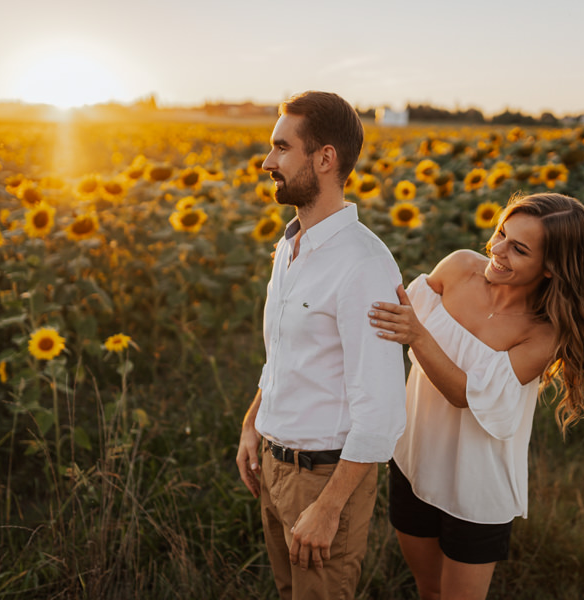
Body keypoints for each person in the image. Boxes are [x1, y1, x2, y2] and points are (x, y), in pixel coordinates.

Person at [367, 192, 584, 600]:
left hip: (476, 484)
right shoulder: (459, 267)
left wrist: (418, 336)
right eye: (501, 233)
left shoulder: (541, 333)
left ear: (550, 267)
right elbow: (393, 314)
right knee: (428, 590)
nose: (497, 250)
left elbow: (465, 395)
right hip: (413, 460)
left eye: (519, 248)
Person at [236, 91, 407, 600]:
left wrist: (330, 506)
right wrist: (252, 424)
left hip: (325, 477)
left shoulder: (364, 266)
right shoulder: (290, 247)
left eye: (282, 148)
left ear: (325, 158)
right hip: (273, 465)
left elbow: (382, 410)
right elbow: (283, 357)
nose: (268, 162)